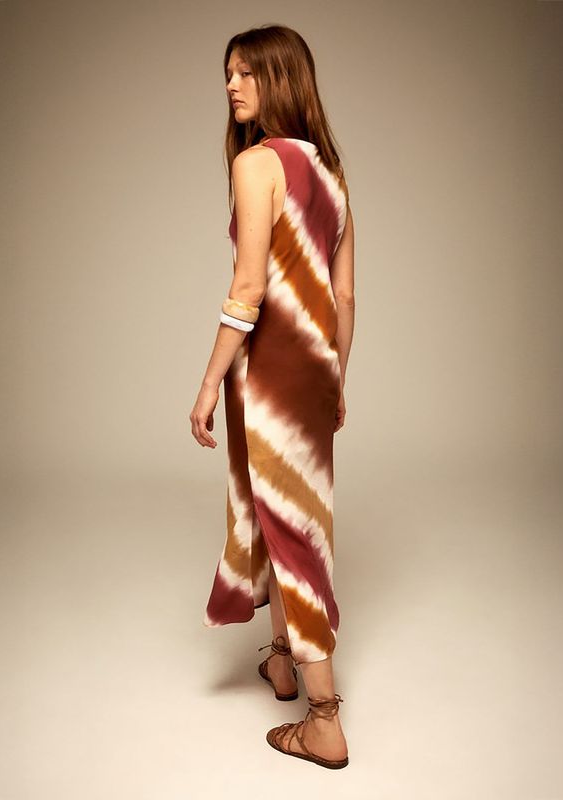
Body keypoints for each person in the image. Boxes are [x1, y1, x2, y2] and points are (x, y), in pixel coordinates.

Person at [189, 24, 355, 770]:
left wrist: (206, 383)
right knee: (283, 516)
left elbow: (249, 287)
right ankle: (281, 661)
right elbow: (344, 297)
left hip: (269, 376)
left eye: (247, 72)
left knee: (291, 533)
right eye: (228, 72)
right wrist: (337, 379)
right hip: (314, 373)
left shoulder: (257, 163)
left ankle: (323, 720)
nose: (232, 84)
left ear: (282, 78)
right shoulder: (333, 174)